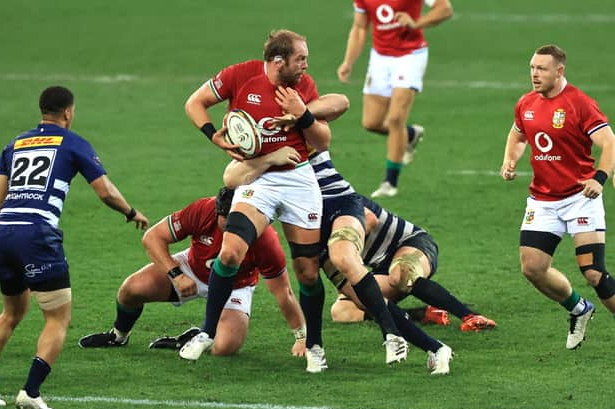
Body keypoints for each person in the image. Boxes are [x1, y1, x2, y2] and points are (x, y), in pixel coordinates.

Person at [183, 29, 406, 373]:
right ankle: (206, 332)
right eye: (300, 58)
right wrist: (212, 135)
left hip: (300, 180)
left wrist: (301, 114)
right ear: (278, 60)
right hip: (259, 177)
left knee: (307, 272)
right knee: (229, 252)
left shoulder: (302, 87)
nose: (305, 65)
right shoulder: (239, 75)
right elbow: (194, 103)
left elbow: (323, 137)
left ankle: (315, 345)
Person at [0, 86, 149, 409]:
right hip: (37, 235)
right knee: (57, 317)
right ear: (68, 112)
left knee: (11, 313)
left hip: (3, 232)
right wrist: (130, 212)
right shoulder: (72, 142)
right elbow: (105, 192)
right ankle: (30, 392)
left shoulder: (13, 144)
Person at [78, 187, 307, 358]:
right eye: (228, 222)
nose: (235, 230)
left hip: (236, 287)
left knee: (225, 348)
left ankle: (193, 336)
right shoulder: (203, 210)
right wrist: (176, 274)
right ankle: (118, 337)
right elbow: (152, 238)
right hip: (192, 269)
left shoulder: (266, 240)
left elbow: (283, 292)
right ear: (218, 212)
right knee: (131, 289)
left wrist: (301, 336)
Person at [500, 44, 615, 350]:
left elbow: (608, 141)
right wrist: (510, 159)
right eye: (532, 68)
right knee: (532, 267)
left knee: (593, 273)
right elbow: (518, 133)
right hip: (542, 200)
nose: (535, 75)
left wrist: (599, 178)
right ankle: (579, 309)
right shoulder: (526, 103)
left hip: (580, 197)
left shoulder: (580, 104)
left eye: (542, 69)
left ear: (559, 70)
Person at [325, 194, 496, 335]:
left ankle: (470, 316)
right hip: (381, 266)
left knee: (401, 274)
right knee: (342, 311)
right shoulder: (309, 228)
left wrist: (346, 251)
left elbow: (370, 219)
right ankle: (421, 314)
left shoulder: (336, 196)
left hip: (412, 243)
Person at [337, 0, 453, 198]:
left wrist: (417, 23)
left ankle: (390, 182)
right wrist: (348, 61)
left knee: (395, 119)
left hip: (410, 56)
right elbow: (359, 26)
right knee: (371, 122)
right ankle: (409, 135)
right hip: (380, 58)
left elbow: (445, 9)